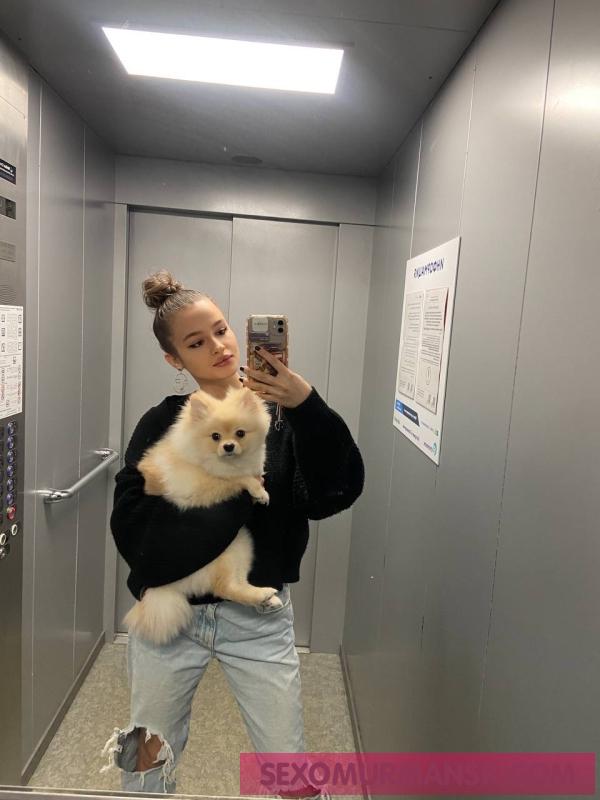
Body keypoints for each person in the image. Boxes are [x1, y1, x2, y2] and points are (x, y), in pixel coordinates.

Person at [102, 270, 365, 796]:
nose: (218, 347)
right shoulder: (163, 421)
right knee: (145, 761)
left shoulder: (281, 418)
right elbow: (132, 523)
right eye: (196, 342)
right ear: (175, 359)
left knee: (289, 768)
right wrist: (238, 491)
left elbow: (335, 493)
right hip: (170, 615)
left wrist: (307, 404)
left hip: (258, 616)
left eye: (221, 330)